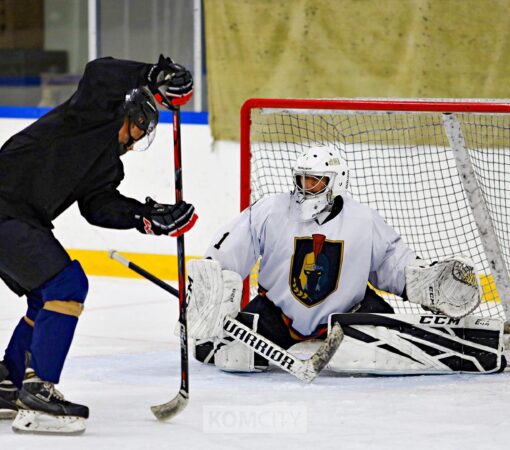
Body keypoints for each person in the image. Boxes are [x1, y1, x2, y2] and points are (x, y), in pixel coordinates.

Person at [0, 55, 196, 433]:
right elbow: (99, 71)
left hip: (17, 218)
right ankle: (39, 392)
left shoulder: (108, 163)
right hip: (6, 210)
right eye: (141, 127)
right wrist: (153, 75)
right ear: (130, 114)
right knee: (67, 285)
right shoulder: (89, 116)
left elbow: (99, 206)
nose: (137, 139)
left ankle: (9, 382)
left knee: (46, 295)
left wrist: (147, 217)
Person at [185, 143, 487, 375]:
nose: (306, 187)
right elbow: (231, 245)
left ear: (335, 182)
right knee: (220, 353)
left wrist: (423, 281)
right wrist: (212, 282)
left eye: (315, 180)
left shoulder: (362, 220)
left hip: (347, 314)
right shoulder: (271, 210)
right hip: (278, 312)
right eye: (302, 179)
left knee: (393, 349)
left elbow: (391, 262)